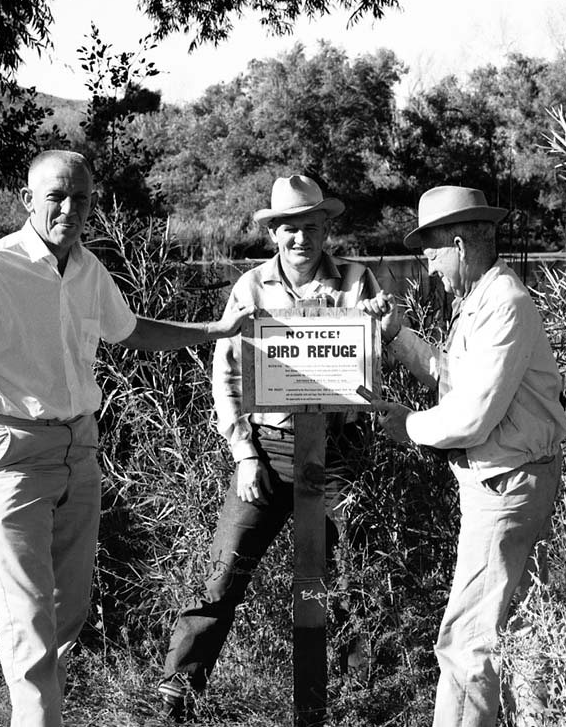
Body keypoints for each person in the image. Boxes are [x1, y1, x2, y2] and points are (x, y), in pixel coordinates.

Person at [0, 150, 251, 727]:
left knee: (67, 610)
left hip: (80, 447)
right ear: (28, 200)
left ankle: (36, 711)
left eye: (82, 197)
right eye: (56, 196)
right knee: (28, 616)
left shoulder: (87, 269)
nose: (70, 208)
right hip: (15, 454)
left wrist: (216, 329)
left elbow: (132, 332)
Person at [149, 174, 380, 722]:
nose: (302, 238)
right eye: (290, 228)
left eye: (312, 226)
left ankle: (353, 693)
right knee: (224, 572)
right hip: (267, 450)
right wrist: (243, 454)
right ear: (274, 233)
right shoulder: (249, 288)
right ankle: (177, 694)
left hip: (339, 451)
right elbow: (225, 377)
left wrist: (378, 331)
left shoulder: (358, 280)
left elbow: (378, 366)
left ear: (327, 227)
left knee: (349, 574)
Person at [364, 185, 566, 727]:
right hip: (512, 484)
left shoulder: (504, 305)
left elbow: (473, 416)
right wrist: (397, 335)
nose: (427, 265)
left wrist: (409, 426)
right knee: (523, 633)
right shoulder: (484, 300)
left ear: (457, 243)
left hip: (505, 491)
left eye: (430, 252)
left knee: (465, 641)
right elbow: (455, 378)